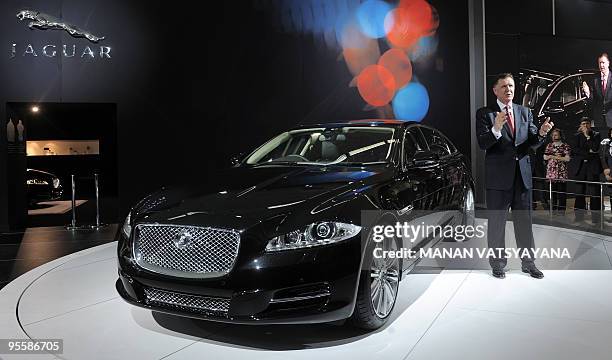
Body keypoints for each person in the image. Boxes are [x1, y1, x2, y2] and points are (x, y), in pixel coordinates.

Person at [476, 73, 553, 279]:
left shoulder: (525, 112)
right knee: (497, 223)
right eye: (503, 86)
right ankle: (498, 263)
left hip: (522, 178)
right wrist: (496, 128)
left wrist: (543, 134)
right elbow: (483, 143)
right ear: (495, 90)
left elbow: (532, 144)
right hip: (498, 179)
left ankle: (529, 263)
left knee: (524, 223)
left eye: (510, 86)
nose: (508, 89)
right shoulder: (485, 114)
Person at [568, 118, 602, 223]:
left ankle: (596, 219)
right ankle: (579, 217)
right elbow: (574, 150)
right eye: (583, 123)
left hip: (592, 167)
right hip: (580, 167)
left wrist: (588, 137)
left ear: (590, 125)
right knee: (579, 193)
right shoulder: (576, 136)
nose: (585, 125)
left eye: (587, 123)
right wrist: (588, 152)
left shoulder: (596, 135)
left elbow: (595, 149)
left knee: (594, 194)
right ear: (580, 125)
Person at [543, 129, 571, 215]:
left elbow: (567, 158)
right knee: (553, 192)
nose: (554, 136)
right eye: (553, 135)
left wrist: (552, 156)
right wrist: (555, 156)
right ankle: (553, 210)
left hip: (561, 172)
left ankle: (561, 211)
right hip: (551, 172)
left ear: (560, 135)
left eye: (556, 135)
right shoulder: (549, 145)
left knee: (562, 193)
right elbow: (545, 157)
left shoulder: (565, 146)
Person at [582, 53, 612, 131]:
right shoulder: (595, 79)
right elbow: (593, 100)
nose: (601, 65)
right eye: (600, 63)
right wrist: (588, 92)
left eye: (603, 62)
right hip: (599, 119)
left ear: (608, 63)